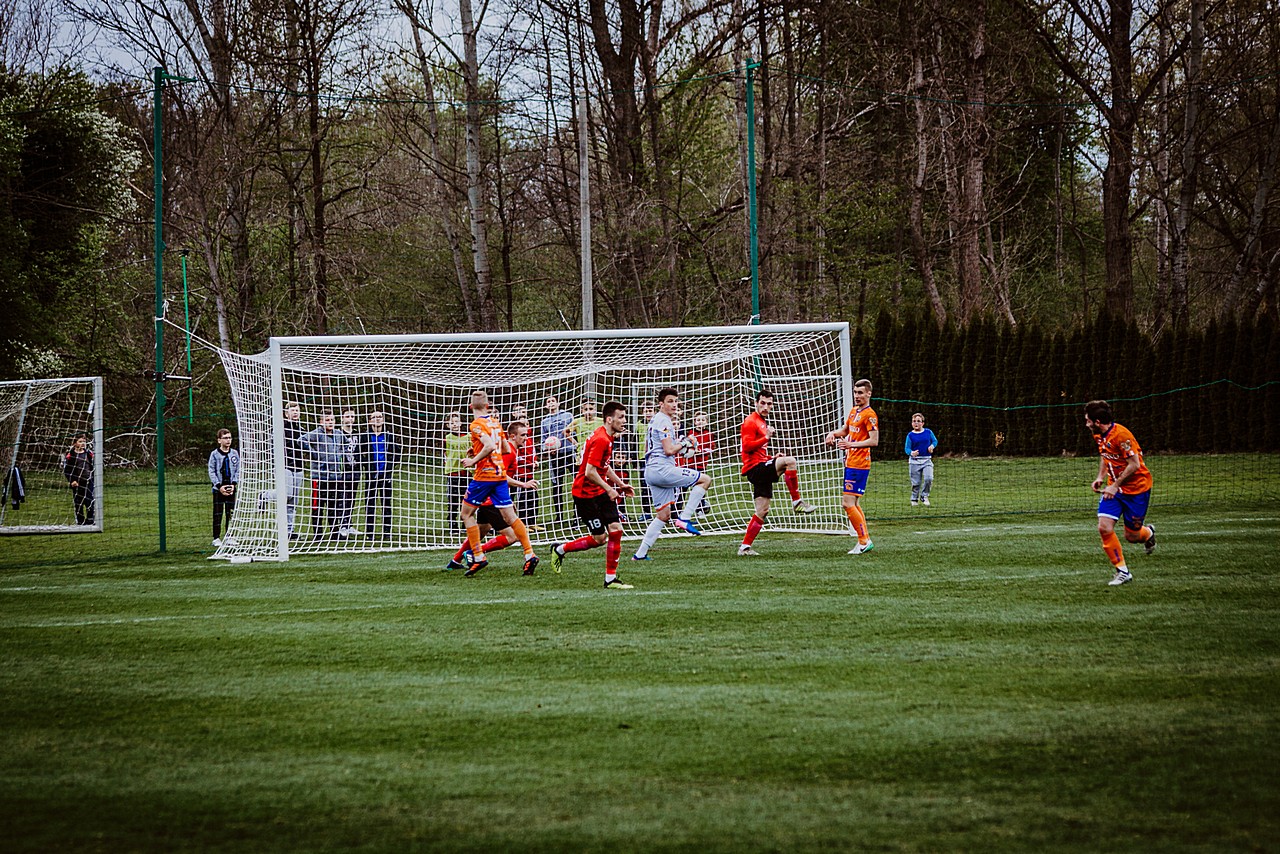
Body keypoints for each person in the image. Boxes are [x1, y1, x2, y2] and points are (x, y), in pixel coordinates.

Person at [550, 401, 636, 588]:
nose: (624, 421)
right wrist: (609, 489)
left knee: (616, 529)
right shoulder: (601, 439)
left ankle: (610, 579)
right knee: (599, 539)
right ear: (609, 419)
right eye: (621, 417)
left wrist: (620, 484)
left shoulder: (607, 436)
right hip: (584, 495)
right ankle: (560, 549)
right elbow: (589, 472)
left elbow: (603, 467)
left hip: (599, 491)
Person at [458, 390, 538, 576]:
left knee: (466, 514)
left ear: (470, 407)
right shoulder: (495, 422)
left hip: (484, 477)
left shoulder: (476, 424)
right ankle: (529, 554)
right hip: (500, 475)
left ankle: (478, 555)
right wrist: (477, 449)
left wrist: (474, 460)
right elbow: (503, 448)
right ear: (487, 406)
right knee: (511, 517)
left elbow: (490, 446)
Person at [632, 387, 711, 561]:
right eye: (670, 401)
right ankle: (684, 518)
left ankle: (640, 554)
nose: (674, 405)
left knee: (663, 515)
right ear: (661, 404)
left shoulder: (655, 421)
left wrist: (683, 449)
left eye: (676, 401)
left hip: (651, 470)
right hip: (662, 469)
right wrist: (686, 443)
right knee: (705, 480)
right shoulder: (664, 421)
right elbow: (668, 450)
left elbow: (657, 448)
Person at [1085, 399, 1157, 586]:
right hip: (1114, 490)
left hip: (1137, 490)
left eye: (1088, 421)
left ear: (1098, 422)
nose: (1086, 424)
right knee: (1104, 527)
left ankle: (1148, 533)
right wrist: (1101, 477)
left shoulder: (1122, 436)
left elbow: (1135, 465)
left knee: (1132, 537)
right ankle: (1122, 571)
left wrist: (1115, 485)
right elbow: (1105, 455)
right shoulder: (1099, 435)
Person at [737, 389, 817, 556]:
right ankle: (797, 502)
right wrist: (766, 437)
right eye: (763, 403)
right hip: (755, 469)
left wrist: (771, 457)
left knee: (762, 510)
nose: (766, 406)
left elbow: (758, 451)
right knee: (790, 461)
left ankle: (744, 547)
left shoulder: (762, 421)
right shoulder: (750, 421)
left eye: (769, 404)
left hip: (760, 466)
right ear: (756, 403)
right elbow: (747, 447)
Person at [825, 378, 878, 555]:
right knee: (853, 503)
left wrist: (850, 445)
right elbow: (846, 431)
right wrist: (833, 434)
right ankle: (864, 539)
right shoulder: (854, 411)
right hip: (851, 463)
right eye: (855, 392)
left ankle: (863, 541)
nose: (857, 396)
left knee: (847, 503)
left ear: (869, 393)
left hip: (860, 464)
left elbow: (874, 440)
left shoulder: (870, 415)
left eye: (861, 393)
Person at [302, 411, 346, 540]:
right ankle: (317, 533)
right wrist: (314, 454)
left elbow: (346, 444)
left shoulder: (338, 434)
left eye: (332, 420)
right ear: (321, 422)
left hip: (335, 476)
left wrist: (340, 457)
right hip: (319, 477)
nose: (330, 422)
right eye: (327, 420)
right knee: (318, 506)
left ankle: (334, 532)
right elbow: (301, 440)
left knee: (333, 505)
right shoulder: (317, 434)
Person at [359, 410, 399, 538]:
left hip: (385, 475)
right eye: (374, 417)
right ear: (370, 421)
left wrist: (390, 468)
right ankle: (369, 532)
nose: (377, 419)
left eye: (379, 417)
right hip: (371, 475)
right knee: (370, 503)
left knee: (386, 503)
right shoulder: (365, 436)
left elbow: (396, 453)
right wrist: (367, 465)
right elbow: (358, 453)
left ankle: (387, 531)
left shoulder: (388, 436)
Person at [539, 395, 575, 523]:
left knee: (577, 483)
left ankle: (577, 515)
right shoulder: (544, 422)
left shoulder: (568, 416)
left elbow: (574, 432)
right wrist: (548, 449)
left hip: (570, 453)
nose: (551, 403)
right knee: (557, 485)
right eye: (548, 402)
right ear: (546, 406)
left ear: (558, 403)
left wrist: (574, 444)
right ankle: (559, 516)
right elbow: (543, 441)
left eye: (553, 401)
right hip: (556, 457)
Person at [207, 427, 240, 547]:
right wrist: (218, 485)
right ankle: (216, 538)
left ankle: (229, 536)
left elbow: (238, 469)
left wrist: (233, 484)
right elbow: (211, 471)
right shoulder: (214, 455)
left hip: (231, 487)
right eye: (225, 438)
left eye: (230, 438)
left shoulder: (234, 453)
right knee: (218, 513)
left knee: (230, 513)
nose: (228, 440)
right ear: (219, 440)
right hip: (219, 489)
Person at [679, 410, 715, 515]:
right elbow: (686, 446)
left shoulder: (709, 434)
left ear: (706, 422)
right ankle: (679, 509)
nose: (700, 422)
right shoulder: (690, 434)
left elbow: (711, 448)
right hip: (689, 464)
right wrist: (690, 451)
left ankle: (700, 509)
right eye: (698, 420)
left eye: (703, 420)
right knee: (683, 487)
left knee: (700, 488)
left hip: (701, 465)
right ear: (694, 422)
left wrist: (701, 451)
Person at [509, 404, 539, 529]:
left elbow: (532, 453)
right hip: (519, 473)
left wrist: (535, 461)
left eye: (527, 423)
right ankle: (521, 522)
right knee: (520, 498)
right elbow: (517, 457)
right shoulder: (514, 441)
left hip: (529, 472)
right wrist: (528, 463)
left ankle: (532, 522)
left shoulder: (528, 438)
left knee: (533, 497)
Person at [442, 412, 470, 532]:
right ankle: (452, 523)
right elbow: (444, 453)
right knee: (453, 499)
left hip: (467, 472)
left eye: (456, 421)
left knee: (467, 500)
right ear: (447, 425)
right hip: (453, 472)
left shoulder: (468, 437)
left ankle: (466, 523)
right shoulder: (447, 438)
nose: (454, 424)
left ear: (461, 423)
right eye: (451, 422)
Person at [904, 413, 938, 506]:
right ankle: (914, 499)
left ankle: (924, 496)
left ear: (922, 423)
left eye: (918, 421)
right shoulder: (910, 435)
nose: (916, 423)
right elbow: (907, 448)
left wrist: (932, 446)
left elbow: (935, 441)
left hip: (927, 460)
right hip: (914, 461)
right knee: (916, 483)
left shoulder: (928, 432)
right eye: (914, 421)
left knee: (929, 478)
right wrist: (911, 453)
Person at [61, 431, 95, 525]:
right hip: (77, 482)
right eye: (80, 441)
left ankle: (90, 519)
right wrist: (72, 481)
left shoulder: (88, 454)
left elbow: (92, 466)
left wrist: (92, 476)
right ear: (75, 443)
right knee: (78, 502)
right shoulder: (71, 455)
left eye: (84, 441)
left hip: (88, 481)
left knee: (89, 500)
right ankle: (80, 520)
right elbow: (67, 470)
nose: (83, 443)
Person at [338, 409, 361, 537]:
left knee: (352, 497)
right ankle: (342, 524)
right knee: (342, 497)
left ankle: (349, 523)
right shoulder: (338, 433)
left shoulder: (357, 434)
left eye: (352, 416)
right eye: (347, 416)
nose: (350, 419)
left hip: (355, 470)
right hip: (342, 471)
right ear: (342, 418)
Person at [569, 398, 603, 464]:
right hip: (582, 454)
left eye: (591, 409)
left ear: (595, 410)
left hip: (597, 454)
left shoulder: (601, 421)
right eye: (585, 409)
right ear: (582, 411)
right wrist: (575, 443)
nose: (588, 412)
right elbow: (565, 432)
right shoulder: (577, 422)